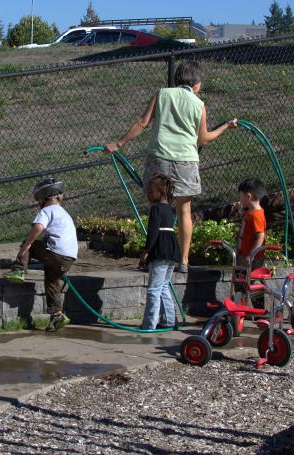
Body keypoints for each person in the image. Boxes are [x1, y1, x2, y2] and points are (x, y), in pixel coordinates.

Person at [105, 60, 238, 273]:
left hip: (159, 157)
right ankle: (183, 261)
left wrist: (118, 143)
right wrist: (224, 127)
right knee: (184, 210)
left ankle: (153, 257)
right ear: (196, 83)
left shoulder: (162, 94)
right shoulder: (199, 105)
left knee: (156, 208)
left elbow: (142, 123)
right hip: (186, 160)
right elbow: (202, 139)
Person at [4, 177, 78, 332]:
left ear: (43, 199)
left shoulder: (46, 211)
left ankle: (18, 269)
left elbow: (38, 227)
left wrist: (27, 245)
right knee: (51, 282)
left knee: (29, 244)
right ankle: (57, 315)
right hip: (69, 258)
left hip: (56, 254)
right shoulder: (64, 213)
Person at [140, 173, 182, 330]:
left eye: (150, 192)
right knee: (164, 286)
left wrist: (146, 251)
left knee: (154, 289)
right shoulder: (169, 209)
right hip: (172, 250)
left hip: (161, 250)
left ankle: (149, 324)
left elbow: (153, 232)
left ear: (158, 192)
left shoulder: (156, 209)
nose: (149, 196)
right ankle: (169, 321)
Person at [236, 178, 267, 308]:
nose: (239, 200)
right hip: (244, 255)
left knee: (253, 283)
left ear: (248, 196)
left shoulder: (256, 215)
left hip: (251, 258)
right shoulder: (250, 212)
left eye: (241, 197)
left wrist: (251, 255)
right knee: (241, 280)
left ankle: (260, 312)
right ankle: (240, 307)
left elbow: (260, 236)